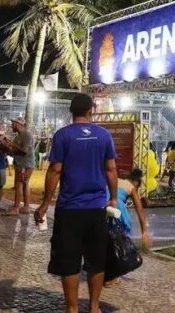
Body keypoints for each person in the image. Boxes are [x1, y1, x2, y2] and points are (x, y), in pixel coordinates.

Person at [34, 93, 118, 313]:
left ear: (71, 111)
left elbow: (55, 171)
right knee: (96, 260)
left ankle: (72, 308)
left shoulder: (62, 135)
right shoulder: (104, 135)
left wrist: (45, 204)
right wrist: (114, 197)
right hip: (97, 208)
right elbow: (111, 169)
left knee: (69, 260)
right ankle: (94, 307)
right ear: (91, 110)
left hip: (69, 208)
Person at [104, 168, 152, 287]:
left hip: (104, 207)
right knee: (117, 244)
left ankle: (103, 271)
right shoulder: (131, 187)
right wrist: (144, 231)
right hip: (117, 210)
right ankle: (114, 276)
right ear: (137, 183)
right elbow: (139, 209)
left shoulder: (116, 179)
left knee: (105, 241)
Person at [2, 117, 35, 216]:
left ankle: (16, 208)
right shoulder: (19, 136)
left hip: (25, 164)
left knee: (19, 184)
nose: (11, 125)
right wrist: (6, 145)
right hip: (22, 164)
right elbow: (14, 151)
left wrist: (12, 144)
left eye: (13, 123)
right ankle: (26, 207)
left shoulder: (26, 134)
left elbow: (24, 150)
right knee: (24, 184)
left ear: (18, 124)